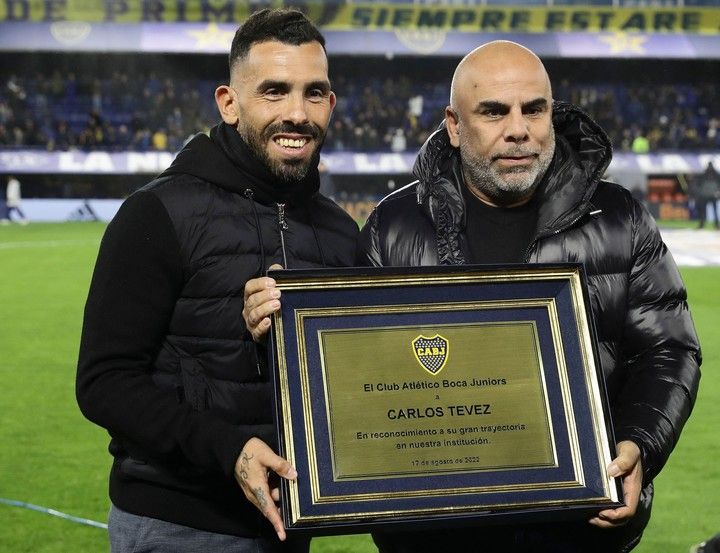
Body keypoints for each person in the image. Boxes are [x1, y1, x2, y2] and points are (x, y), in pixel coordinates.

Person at [243, 41, 701, 552]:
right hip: (433, 536)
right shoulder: (393, 227)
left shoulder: (620, 218)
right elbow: (355, 375)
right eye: (493, 111)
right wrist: (283, 329)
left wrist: (639, 443)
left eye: (535, 109)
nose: (519, 129)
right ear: (455, 126)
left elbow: (669, 350)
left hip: (576, 530)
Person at [76, 8, 358, 553]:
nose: (297, 113)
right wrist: (228, 450)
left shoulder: (342, 234)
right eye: (274, 91)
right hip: (179, 524)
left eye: (314, 93)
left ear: (332, 103)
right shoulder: (157, 214)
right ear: (229, 103)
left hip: (292, 523)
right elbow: (104, 382)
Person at [692, 161, 720, 229]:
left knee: (709, 211)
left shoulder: (714, 174)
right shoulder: (707, 174)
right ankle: (704, 224)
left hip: (710, 195)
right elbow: (698, 184)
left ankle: (713, 225)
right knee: (705, 211)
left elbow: (698, 184)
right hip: (706, 195)